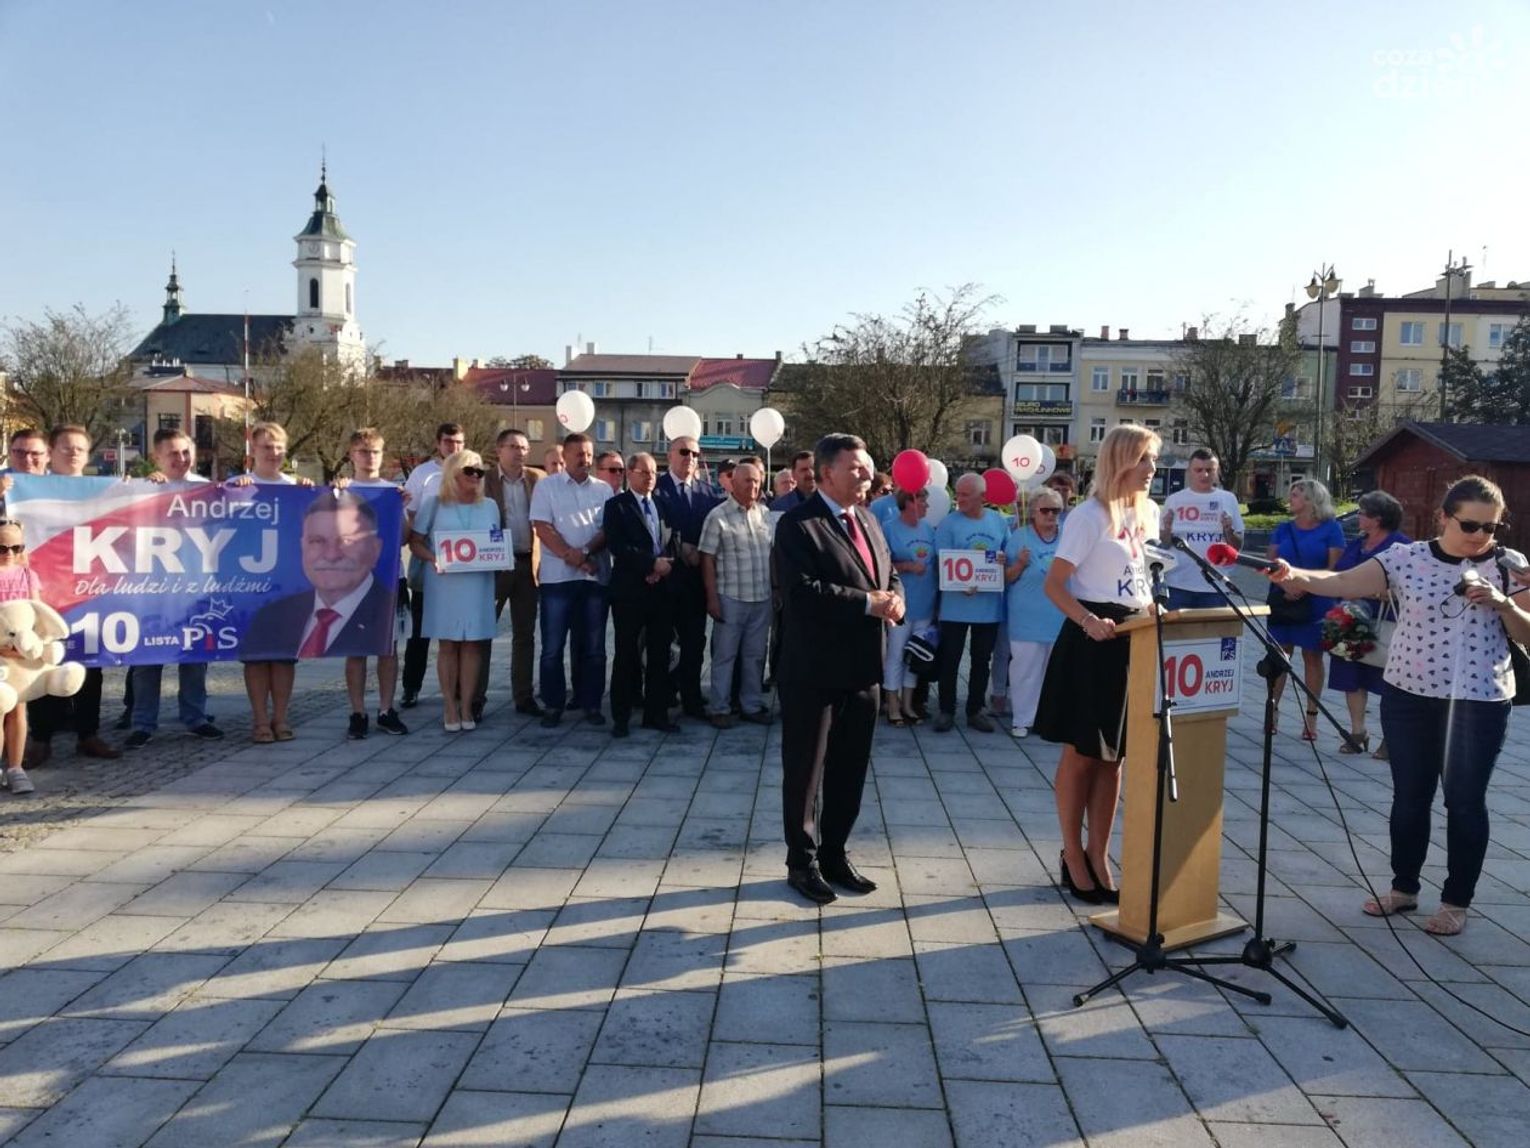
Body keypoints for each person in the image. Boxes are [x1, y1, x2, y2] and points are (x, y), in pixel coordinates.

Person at [1263, 475, 1529, 937]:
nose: (1480, 536)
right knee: (1409, 797)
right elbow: (1344, 581)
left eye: (1490, 527)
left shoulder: (1509, 564)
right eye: (1469, 525)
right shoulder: (1408, 557)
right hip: (1409, 695)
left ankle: (1456, 901)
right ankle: (1403, 887)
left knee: (1465, 802)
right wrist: (1295, 576)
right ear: (1443, 517)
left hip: (1478, 701)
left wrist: (1505, 604)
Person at [775, 433, 903, 904]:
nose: (867, 473)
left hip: (864, 668)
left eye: (867, 465)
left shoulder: (868, 518)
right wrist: (869, 603)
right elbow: (802, 592)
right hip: (814, 670)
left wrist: (896, 599)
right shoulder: (798, 524)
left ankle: (835, 853)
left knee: (850, 770)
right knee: (806, 772)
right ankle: (802, 861)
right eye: (856, 467)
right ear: (827, 473)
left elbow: (888, 573)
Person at [1036, 425, 1161, 904]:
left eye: (1153, 459)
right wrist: (1087, 620)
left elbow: (1143, 577)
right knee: (1083, 752)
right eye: (1144, 459)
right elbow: (1054, 585)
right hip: (1093, 638)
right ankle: (1072, 854)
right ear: (1120, 460)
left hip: (1134, 634)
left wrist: (1154, 610)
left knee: (1115, 756)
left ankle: (1098, 854)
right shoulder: (1088, 516)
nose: (1151, 469)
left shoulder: (1149, 512)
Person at [21, 426, 119, 764]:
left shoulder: (105, 491)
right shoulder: (29, 489)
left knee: (91, 666)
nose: (73, 453)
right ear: (51, 452)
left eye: (79, 448)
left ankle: (88, 734)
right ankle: (41, 738)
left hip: (90, 592)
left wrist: (155, 485)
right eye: (66, 447)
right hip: (45, 593)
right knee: (45, 662)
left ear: (88, 454)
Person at [126, 429, 224, 749]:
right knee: (146, 660)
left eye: (185, 452)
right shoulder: (143, 490)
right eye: (172, 453)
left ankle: (195, 717)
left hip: (194, 588)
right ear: (156, 457)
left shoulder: (207, 489)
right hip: (151, 590)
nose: (181, 459)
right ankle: (143, 723)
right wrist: (139, 488)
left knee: (195, 658)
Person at [229, 422, 315, 742]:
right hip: (247, 588)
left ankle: (281, 717)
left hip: (288, 586)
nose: (274, 453)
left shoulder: (296, 488)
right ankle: (260, 720)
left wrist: (310, 493)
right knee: (255, 657)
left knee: (283, 657)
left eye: (279, 447)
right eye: (267, 446)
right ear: (252, 449)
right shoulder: (235, 486)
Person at [240, 491, 397, 660]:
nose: (331, 555)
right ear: (302, 546)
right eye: (317, 541)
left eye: (347, 541)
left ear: (375, 549)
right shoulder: (271, 617)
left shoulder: (387, 614)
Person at [408, 450, 498, 732]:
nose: (475, 476)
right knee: (447, 644)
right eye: (469, 471)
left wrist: (499, 554)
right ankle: (449, 705)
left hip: (478, 583)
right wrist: (433, 558)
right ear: (452, 474)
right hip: (444, 582)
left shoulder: (490, 506)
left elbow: (496, 540)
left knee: (473, 644)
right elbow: (415, 542)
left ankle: (467, 706)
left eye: (479, 472)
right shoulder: (434, 504)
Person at [530, 433, 612, 727]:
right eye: (579, 454)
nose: (585, 460)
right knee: (553, 647)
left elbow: (607, 529)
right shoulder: (546, 486)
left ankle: (591, 703)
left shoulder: (603, 489)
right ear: (564, 456)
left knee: (594, 647)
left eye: (589, 454)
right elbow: (542, 527)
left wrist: (586, 552)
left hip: (592, 579)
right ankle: (553, 705)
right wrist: (570, 555)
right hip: (557, 579)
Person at [336, 428, 409, 738]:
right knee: (355, 649)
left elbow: (404, 538)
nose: (370, 457)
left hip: (389, 577)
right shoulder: (341, 491)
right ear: (352, 455)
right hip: (351, 580)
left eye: (375, 452)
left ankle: (386, 709)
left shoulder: (393, 492)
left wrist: (401, 509)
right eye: (364, 452)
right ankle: (357, 712)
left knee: (388, 648)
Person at [1326, 490, 1409, 759]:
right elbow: (1340, 574)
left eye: (1362, 513)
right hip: (1351, 620)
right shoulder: (1358, 543)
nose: (1358, 516)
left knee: (1387, 681)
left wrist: (1370, 592)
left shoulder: (1402, 547)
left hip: (1386, 621)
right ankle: (1357, 732)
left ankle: (1391, 737)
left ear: (1377, 518)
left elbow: (1408, 588)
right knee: (1351, 676)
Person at [602, 452, 678, 736]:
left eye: (654, 472)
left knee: (660, 654)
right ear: (629, 474)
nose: (650, 477)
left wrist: (663, 567)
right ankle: (621, 717)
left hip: (661, 590)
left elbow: (672, 539)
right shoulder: (617, 506)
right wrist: (649, 565)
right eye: (644, 472)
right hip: (630, 591)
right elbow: (618, 545)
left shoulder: (662, 503)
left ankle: (656, 714)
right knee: (627, 654)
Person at [1266, 478, 1345, 739]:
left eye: (1296, 494)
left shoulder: (1331, 529)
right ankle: (1272, 710)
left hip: (1317, 599)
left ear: (1312, 500)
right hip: (1283, 597)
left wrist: (1307, 586)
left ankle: (1311, 717)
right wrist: (1286, 585)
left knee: (1313, 657)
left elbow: (1333, 568)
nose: (1290, 499)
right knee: (1279, 655)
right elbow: (1269, 562)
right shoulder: (1283, 528)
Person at [931, 473, 1010, 733]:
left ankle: (975, 710)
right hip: (954, 607)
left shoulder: (998, 522)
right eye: (958, 493)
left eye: (965, 495)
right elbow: (941, 561)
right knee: (950, 659)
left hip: (988, 608)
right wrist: (958, 583)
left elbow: (1006, 555)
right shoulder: (948, 524)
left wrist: (1003, 561)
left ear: (982, 497)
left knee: (981, 661)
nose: (959, 499)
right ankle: (946, 710)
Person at [699, 459, 774, 728]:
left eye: (757, 481)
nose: (753, 486)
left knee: (755, 656)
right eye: (747, 481)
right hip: (730, 598)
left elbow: (772, 555)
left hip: (761, 597)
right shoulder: (717, 516)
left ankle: (751, 705)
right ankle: (719, 707)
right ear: (733, 483)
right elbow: (707, 559)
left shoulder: (765, 514)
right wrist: (712, 598)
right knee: (725, 656)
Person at [653, 435, 720, 719]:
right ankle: (663, 694)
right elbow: (652, 529)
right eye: (683, 451)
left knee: (694, 642)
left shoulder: (707, 492)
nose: (689, 457)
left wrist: (700, 553)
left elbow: (714, 532)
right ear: (670, 455)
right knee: (663, 643)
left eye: (694, 453)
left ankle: (691, 697)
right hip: (666, 580)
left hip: (695, 581)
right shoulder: (657, 488)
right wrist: (681, 549)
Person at [400, 423, 466, 708]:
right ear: (438, 444)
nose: (454, 447)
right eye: (449, 441)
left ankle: (460, 688)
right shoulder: (423, 474)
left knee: (459, 632)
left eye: (459, 442)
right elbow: (411, 515)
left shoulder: (472, 470)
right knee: (420, 631)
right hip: (428, 559)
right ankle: (411, 687)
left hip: (463, 564)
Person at [480, 428, 543, 718]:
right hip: (495, 567)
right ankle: (475, 698)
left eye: (524, 447)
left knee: (524, 635)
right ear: (499, 450)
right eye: (514, 447)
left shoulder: (538, 479)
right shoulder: (484, 481)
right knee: (483, 633)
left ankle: (523, 696)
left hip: (528, 564)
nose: (520, 452)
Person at [1004, 488, 1066, 738]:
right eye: (1045, 510)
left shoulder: (1068, 537)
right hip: (1026, 617)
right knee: (1025, 671)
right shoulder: (1019, 537)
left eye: (1056, 510)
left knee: (1056, 673)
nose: (1051, 515)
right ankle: (1022, 719)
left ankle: (1049, 719)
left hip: (1060, 616)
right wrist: (1019, 563)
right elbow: (1005, 578)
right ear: (1033, 512)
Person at [1159, 448, 1245, 610]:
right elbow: (1163, 544)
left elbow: (1237, 547)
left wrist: (1228, 530)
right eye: (1198, 470)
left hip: (1216, 585)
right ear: (1189, 472)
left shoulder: (1228, 499)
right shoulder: (1174, 500)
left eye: (1209, 470)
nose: (1204, 475)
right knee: (1175, 627)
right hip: (1178, 584)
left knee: (1213, 627)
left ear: (1217, 472)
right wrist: (1167, 529)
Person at [881, 488, 936, 726]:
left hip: (926, 602)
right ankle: (892, 704)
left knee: (915, 655)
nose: (927, 506)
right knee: (895, 654)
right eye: (923, 501)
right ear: (910, 502)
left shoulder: (928, 529)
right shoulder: (889, 528)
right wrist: (907, 566)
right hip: (901, 603)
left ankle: (908, 703)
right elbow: (882, 564)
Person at [0, 519, 44, 794]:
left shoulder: (28, 575)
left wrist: (29, 645)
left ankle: (16, 768)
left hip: (19, 654)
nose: (10, 553)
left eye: (17, 547)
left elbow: (38, 612)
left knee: (18, 709)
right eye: (2, 548)